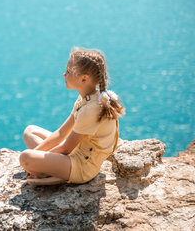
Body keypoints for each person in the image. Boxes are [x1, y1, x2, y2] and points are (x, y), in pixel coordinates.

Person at [19, 46, 126, 185]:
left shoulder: (92, 109)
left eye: (68, 71)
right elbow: (60, 133)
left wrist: (35, 160)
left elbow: (66, 148)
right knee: (30, 131)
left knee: (25, 157)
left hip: (82, 167)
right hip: (74, 152)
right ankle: (49, 170)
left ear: (84, 79)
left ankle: (51, 172)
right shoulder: (85, 98)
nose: (64, 74)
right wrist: (40, 157)